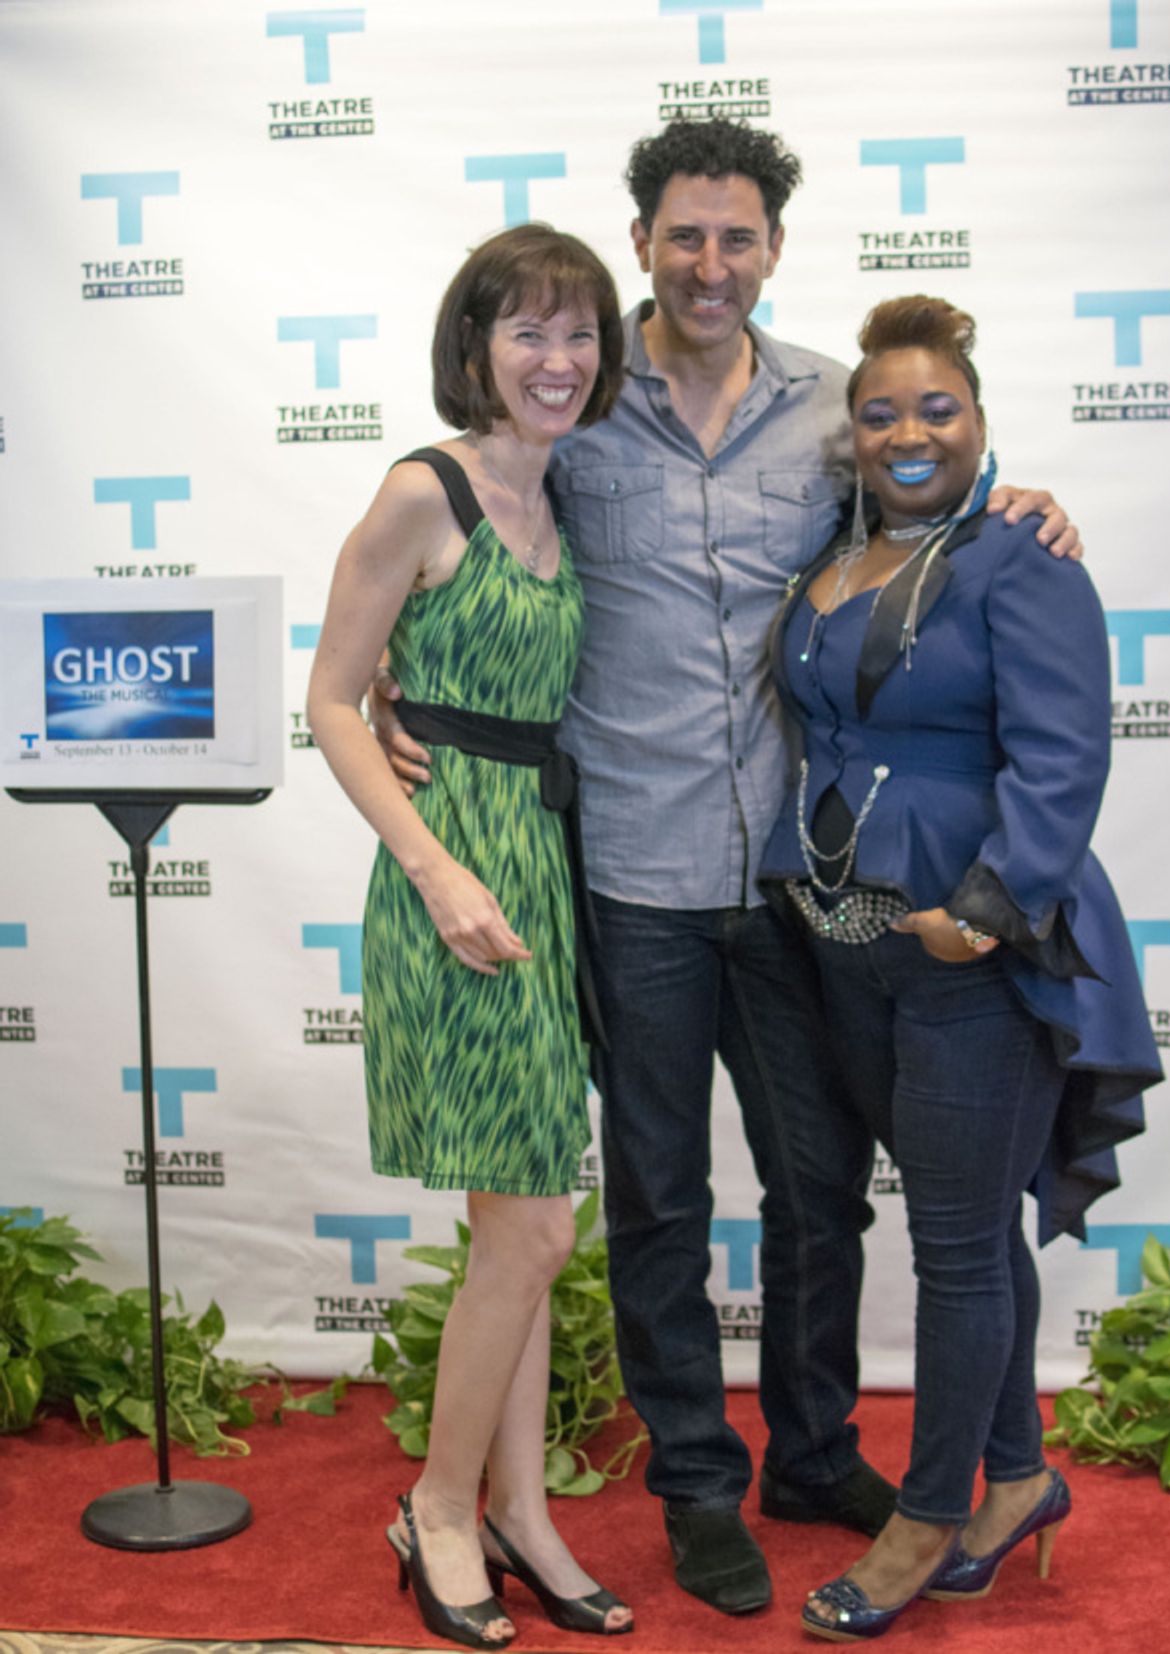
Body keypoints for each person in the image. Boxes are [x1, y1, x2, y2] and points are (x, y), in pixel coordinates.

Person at [376, 118, 1080, 1616]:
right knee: (659, 1197)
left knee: (822, 1187)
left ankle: (811, 1452)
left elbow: (928, 511)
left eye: (738, 237)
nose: (711, 263)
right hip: (626, 870)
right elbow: (473, 550)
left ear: (771, 248)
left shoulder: (834, 407)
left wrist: (1024, 503)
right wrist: (397, 691)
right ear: (642, 242)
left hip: (797, 878)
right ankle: (696, 1483)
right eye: (684, 236)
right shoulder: (574, 403)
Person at [756, 295, 1160, 1642]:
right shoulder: (835, 551)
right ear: (853, 434)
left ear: (980, 420)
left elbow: (1065, 757)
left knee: (955, 1248)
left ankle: (927, 1517)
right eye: (880, 413)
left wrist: (981, 912)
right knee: (973, 1224)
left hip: (973, 953)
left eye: (937, 408)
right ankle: (1023, 1475)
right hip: (851, 948)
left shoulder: (1021, 559)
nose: (909, 432)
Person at [306, 223, 634, 1648]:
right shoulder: (418, 491)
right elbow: (330, 699)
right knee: (537, 1223)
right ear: (475, 346)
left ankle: (522, 1512)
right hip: (454, 887)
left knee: (523, 1224)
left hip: (541, 873)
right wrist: (434, 869)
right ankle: (439, 1507)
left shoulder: (562, 493)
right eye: (528, 332)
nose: (557, 360)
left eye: (580, 334)